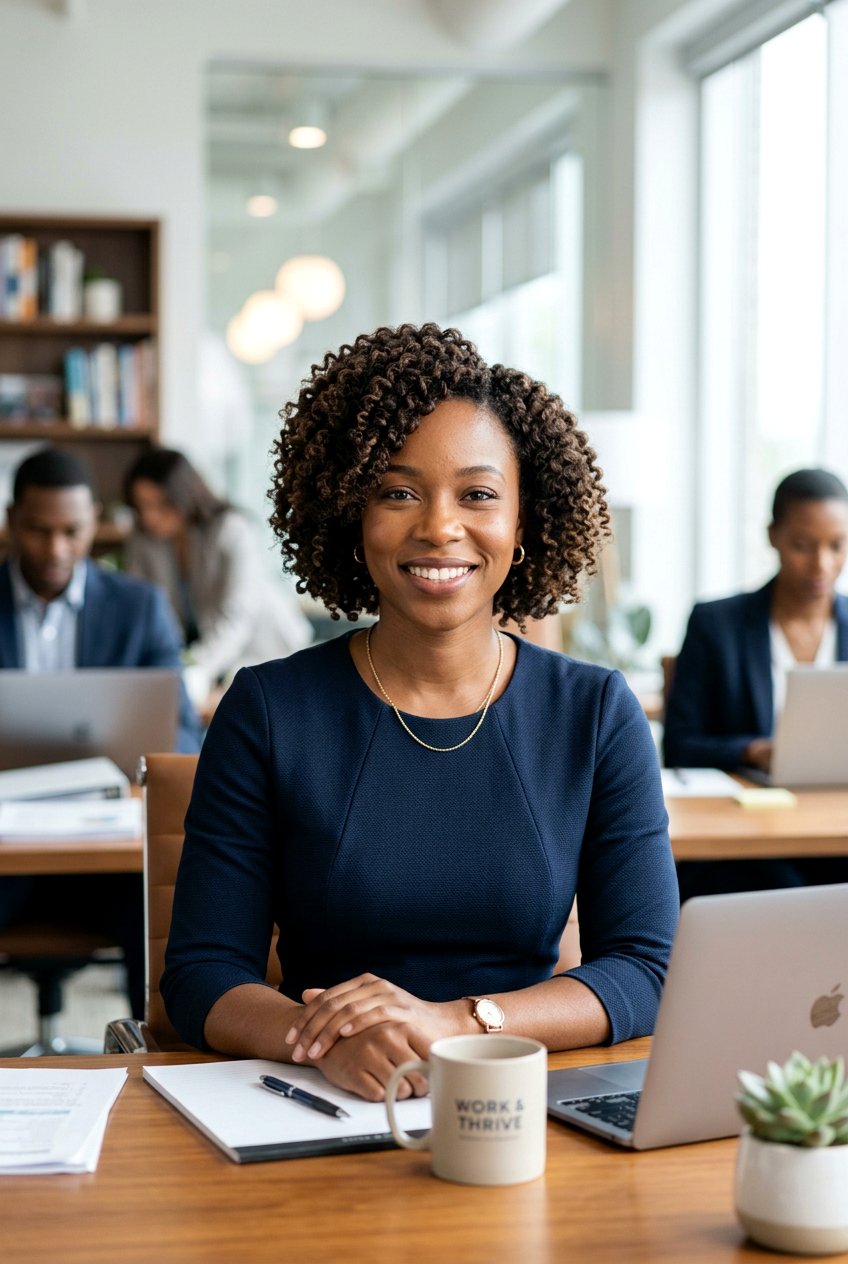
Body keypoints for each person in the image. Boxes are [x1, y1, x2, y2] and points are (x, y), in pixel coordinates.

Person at [162, 323, 679, 1102]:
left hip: (525, 1103)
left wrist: (458, 1024)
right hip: (323, 1106)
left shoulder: (596, 712)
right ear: (349, 514)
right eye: (398, 492)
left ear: (524, 523)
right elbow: (203, 974)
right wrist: (327, 1039)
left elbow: (646, 968)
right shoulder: (268, 710)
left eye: (477, 494)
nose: (440, 526)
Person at [0, 446, 202, 1018]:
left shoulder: (139, 608)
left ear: (95, 523)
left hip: (105, 852)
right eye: (39, 530)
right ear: (12, 520)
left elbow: (181, 733)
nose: (56, 549)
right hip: (7, 848)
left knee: (167, 912)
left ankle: (157, 1066)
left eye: (72, 531)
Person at [664, 466, 848, 898]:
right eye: (803, 545)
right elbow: (680, 744)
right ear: (773, 536)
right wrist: (755, 751)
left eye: (837, 546)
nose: (822, 564)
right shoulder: (716, 625)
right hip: (750, 836)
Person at [123, 447, 313, 715]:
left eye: (160, 504)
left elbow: (236, 617)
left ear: (183, 494)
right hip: (206, 660)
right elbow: (143, 607)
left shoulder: (231, 529)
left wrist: (196, 670)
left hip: (263, 650)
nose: (149, 517)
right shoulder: (144, 541)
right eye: (140, 507)